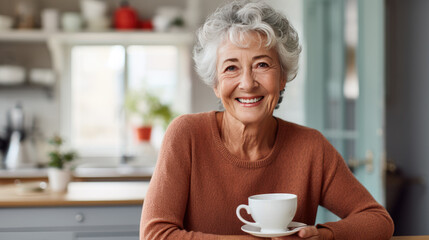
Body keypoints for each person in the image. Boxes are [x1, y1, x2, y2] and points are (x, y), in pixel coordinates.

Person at [140, 1, 394, 239]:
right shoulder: (186, 135)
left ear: (283, 77)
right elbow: (155, 234)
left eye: (262, 65)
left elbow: (378, 220)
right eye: (231, 68)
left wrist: (325, 235)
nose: (248, 83)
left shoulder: (310, 147)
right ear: (216, 85)